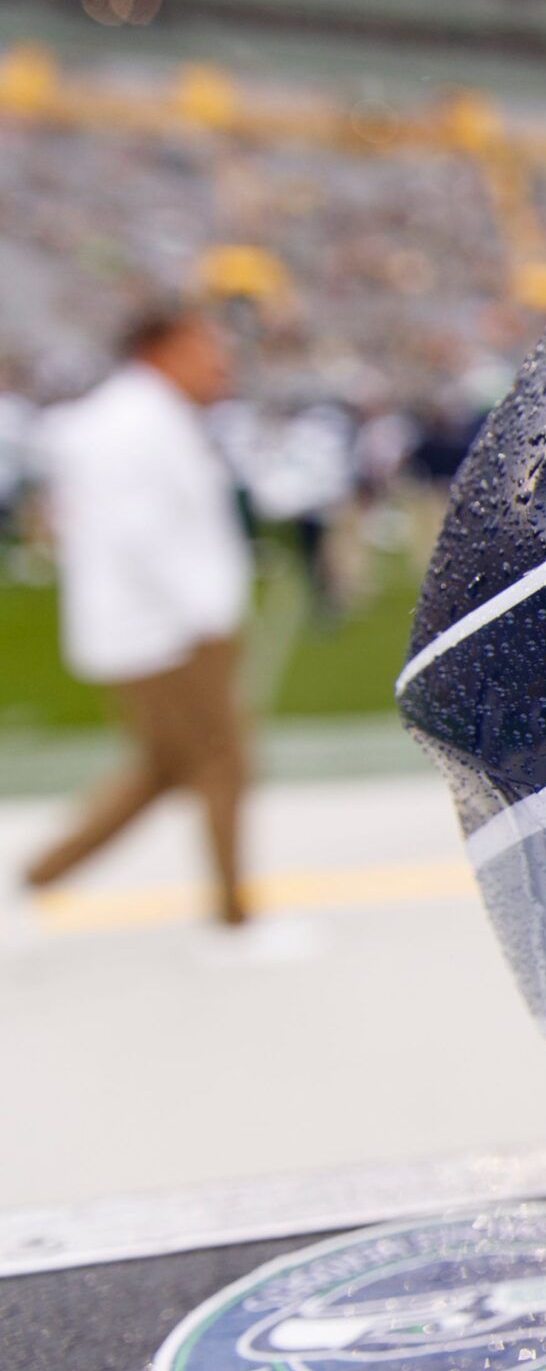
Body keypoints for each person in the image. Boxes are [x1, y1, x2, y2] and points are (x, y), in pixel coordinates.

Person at [19, 306, 256, 926]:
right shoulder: (132, 424)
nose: (218, 361)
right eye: (205, 345)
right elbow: (140, 534)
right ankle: (234, 917)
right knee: (221, 761)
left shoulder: (143, 418)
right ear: (164, 348)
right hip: (165, 632)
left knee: (163, 769)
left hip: (158, 625)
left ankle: (36, 876)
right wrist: (206, 615)